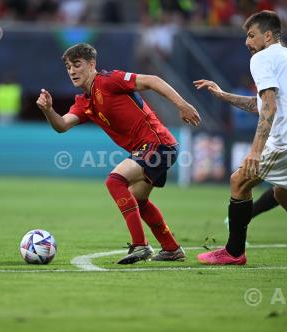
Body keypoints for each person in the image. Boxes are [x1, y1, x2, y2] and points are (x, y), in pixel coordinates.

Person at [195, 10, 287, 268]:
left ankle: (234, 252)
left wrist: (255, 150)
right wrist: (223, 95)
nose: (247, 42)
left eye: (251, 35)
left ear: (268, 36)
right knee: (285, 196)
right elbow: (261, 104)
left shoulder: (262, 58)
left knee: (239, 181)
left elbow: (269, 107)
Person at [36, 43, 201, 264]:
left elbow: (153, 80)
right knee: (138, 199)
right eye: (68, 67)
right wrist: (48, 110)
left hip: (158, 143)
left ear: (92, 64)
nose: (72, 71)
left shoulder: (109, 80)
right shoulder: (84, 102)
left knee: (115, 181)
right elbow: (62, 125)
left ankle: (140, 245)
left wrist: (183, 105)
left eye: (77, 65)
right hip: (152, 148)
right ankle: (171, 248)